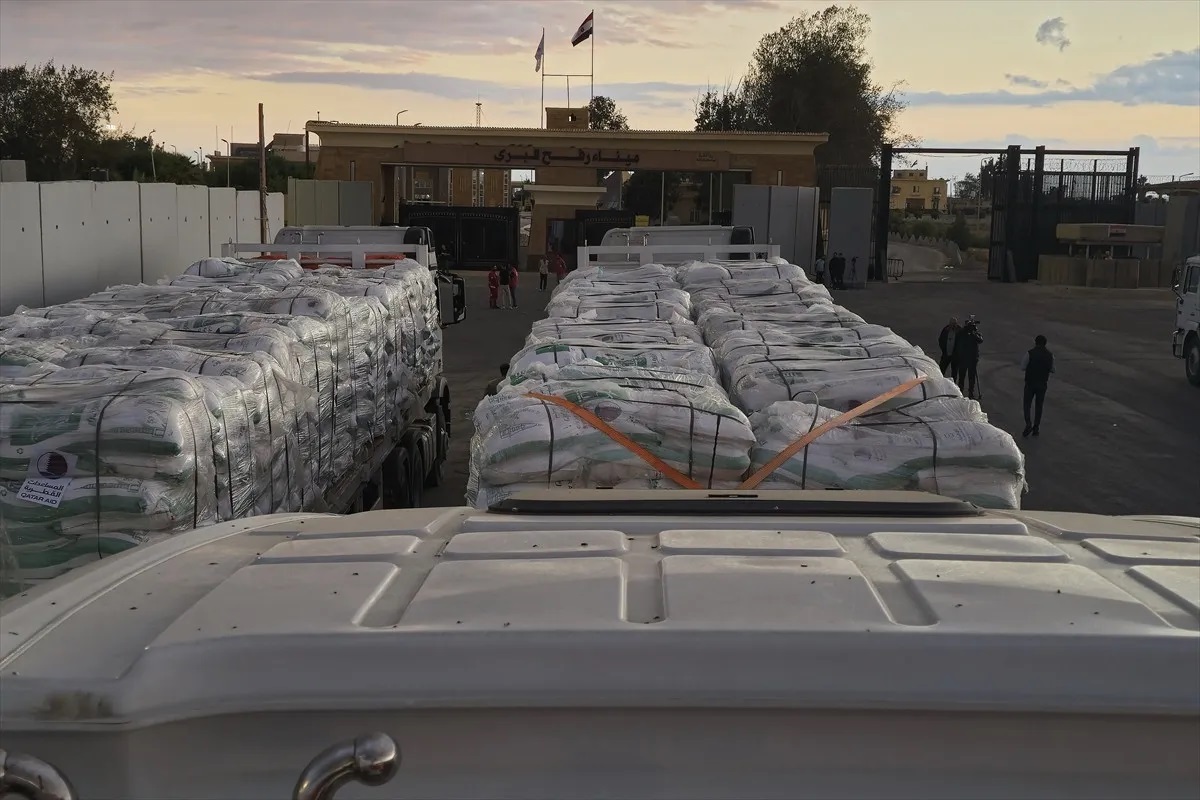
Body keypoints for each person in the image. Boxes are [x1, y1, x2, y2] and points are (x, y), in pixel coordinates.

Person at [1020, 334, 1054, 437]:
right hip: (1042, 383)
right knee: (1039, 406)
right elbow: (1053, 369)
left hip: (1030, 382)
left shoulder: (1030, 353)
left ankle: (1028, 423)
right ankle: (1036, 427)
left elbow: (1023, 367)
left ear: (1035, 342)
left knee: (1027, 404)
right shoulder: (1049, 355)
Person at [953, 316, 983, 399]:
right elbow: (958, 338)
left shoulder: (974, 334)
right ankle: (960, 391)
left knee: (971, 377)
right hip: (964, 358)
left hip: (972, 359)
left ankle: (971, 392)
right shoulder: (962, 333)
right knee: (962, 376)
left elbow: (980, 340)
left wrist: (973, 333)